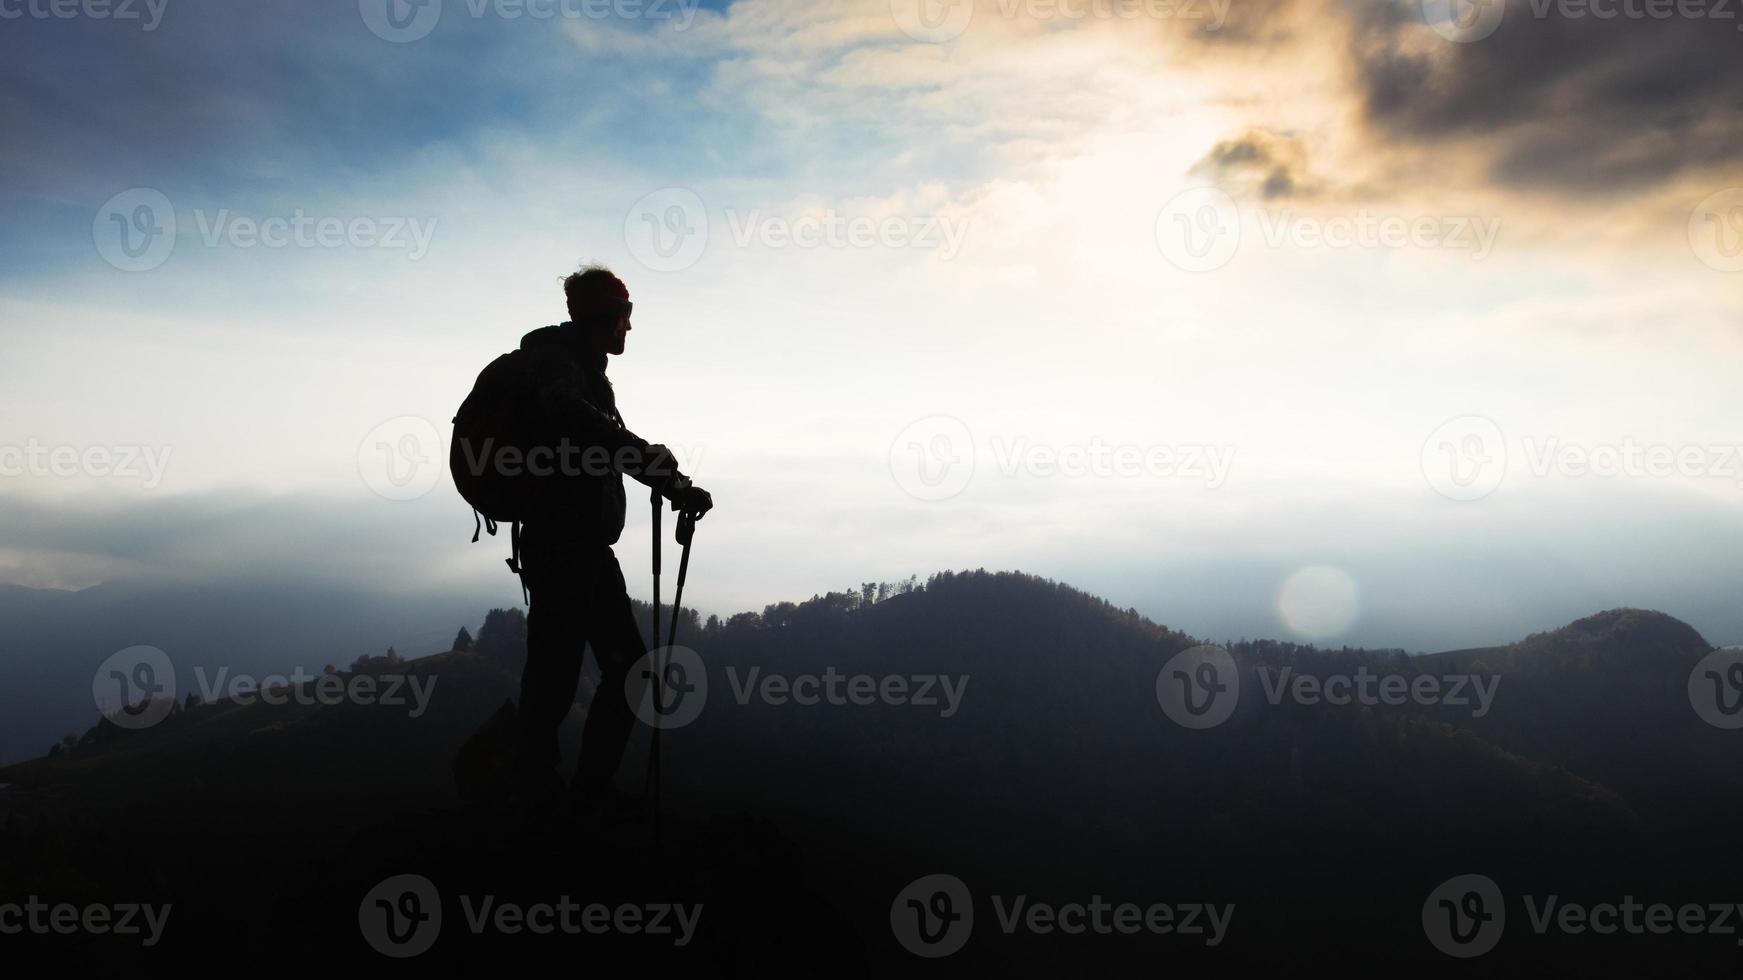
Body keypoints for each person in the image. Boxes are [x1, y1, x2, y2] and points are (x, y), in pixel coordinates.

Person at [513, 264, 712, 817]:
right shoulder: (560, 368)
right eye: (626, 316)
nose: (630, 328)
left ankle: (571, 792)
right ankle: (550, 795)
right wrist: (667, 478)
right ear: (603, 317)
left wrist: (669, 483)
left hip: (580, 549)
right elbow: (586, 428)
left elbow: (606, 442)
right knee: (566, 675)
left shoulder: (582, 370)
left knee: (609, 671)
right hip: (562, 545)